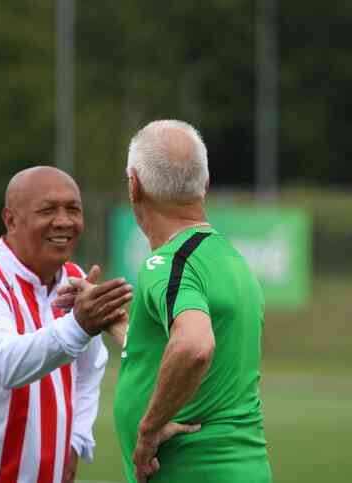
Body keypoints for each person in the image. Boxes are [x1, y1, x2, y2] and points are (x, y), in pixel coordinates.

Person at [0, 166, 131, 483]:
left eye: (73, 209)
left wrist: (76, 439)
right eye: (48, 210)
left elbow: (91, 367)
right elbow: (8, 364)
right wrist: (79, 324)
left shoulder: (74, 279)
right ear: (10, 219)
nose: (64, 221)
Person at [114, 120, 272, 482]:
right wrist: (117, 325)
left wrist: (148, 432)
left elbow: (194, 346)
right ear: (205, 184)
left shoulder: (167, 264)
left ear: (134, 186)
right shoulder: (231, 261)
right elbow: (175, 357)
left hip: (196, 471)